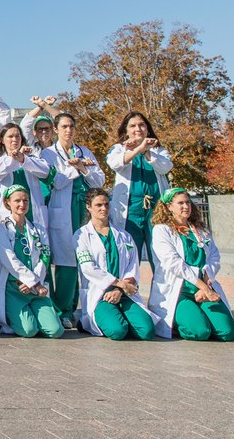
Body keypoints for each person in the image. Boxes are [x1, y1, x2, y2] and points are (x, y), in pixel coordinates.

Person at [148, 188, 234, 341]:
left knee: (227, 333)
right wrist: (203, 286)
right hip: (179, 291)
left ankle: (201, 318)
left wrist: (207, 284)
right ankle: (178, 323)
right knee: (199, 332)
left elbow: (214, 256)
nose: (186, 206)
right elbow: (174, 264)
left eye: (188, 202)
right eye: (180, 203)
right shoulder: (161, 230)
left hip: (205, 288)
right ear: (169, 207)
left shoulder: (200, 230)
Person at [45, 111, 105, 329]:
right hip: (63, 208)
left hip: (84, 207)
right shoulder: (48, 154)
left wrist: (84, 169)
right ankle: (63, 310)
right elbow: (56, 182)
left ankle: (84, 307)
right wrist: (76, 168)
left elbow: (99, 179)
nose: (68, 130)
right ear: (55, 130)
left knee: (87, 257)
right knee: (66, 262)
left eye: (71, 126)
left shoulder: (84, 151)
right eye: (63, 127)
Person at [75, 189, 156, 340]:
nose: (103, 209)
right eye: (98, 205)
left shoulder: (124, 235)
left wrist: (121, 289)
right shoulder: (81, 235)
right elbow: (89, 268)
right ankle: (88, 322)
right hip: (100, 294)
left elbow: (132, 266)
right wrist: (120, 284)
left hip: (124, 293)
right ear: (88, 207)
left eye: (106, 204)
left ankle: (121, 317)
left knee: (147, 332)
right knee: (117, 332)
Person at [0, 185, 63, 338]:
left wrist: (35, 282)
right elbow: (8, 259)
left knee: (55, 331)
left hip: (36, 289)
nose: (22, 205)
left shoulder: (39, 229)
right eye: (17, 201)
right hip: (13, 288)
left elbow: (45, 255)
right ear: (7, 202)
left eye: (25, 201)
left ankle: (36, 314)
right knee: (29, 331)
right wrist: (32, 282)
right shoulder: (0, 228)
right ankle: (15, 317)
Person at [107, 111, 173, 268]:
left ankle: (162, 292)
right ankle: (129, 292)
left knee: (160, 256)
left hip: (156, 210)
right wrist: (136, 149)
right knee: (129, 258)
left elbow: (166, 167)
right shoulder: (118, 149)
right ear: (126, 131)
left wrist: (146, 150)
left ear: (147, 129)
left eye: (141, 125)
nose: (137, 128)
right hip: (130, 211)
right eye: (132, 125)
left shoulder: (158, 150)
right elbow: (115, 164)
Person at [0, 124, 50, 234]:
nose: (14, 139)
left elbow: (45, 171)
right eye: (10, 136)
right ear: (2, 140)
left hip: (33, 213)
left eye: (18, 136)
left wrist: (23, 159)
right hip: (7, 215)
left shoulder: (31, 158)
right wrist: (14, 158)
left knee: (37, 247)